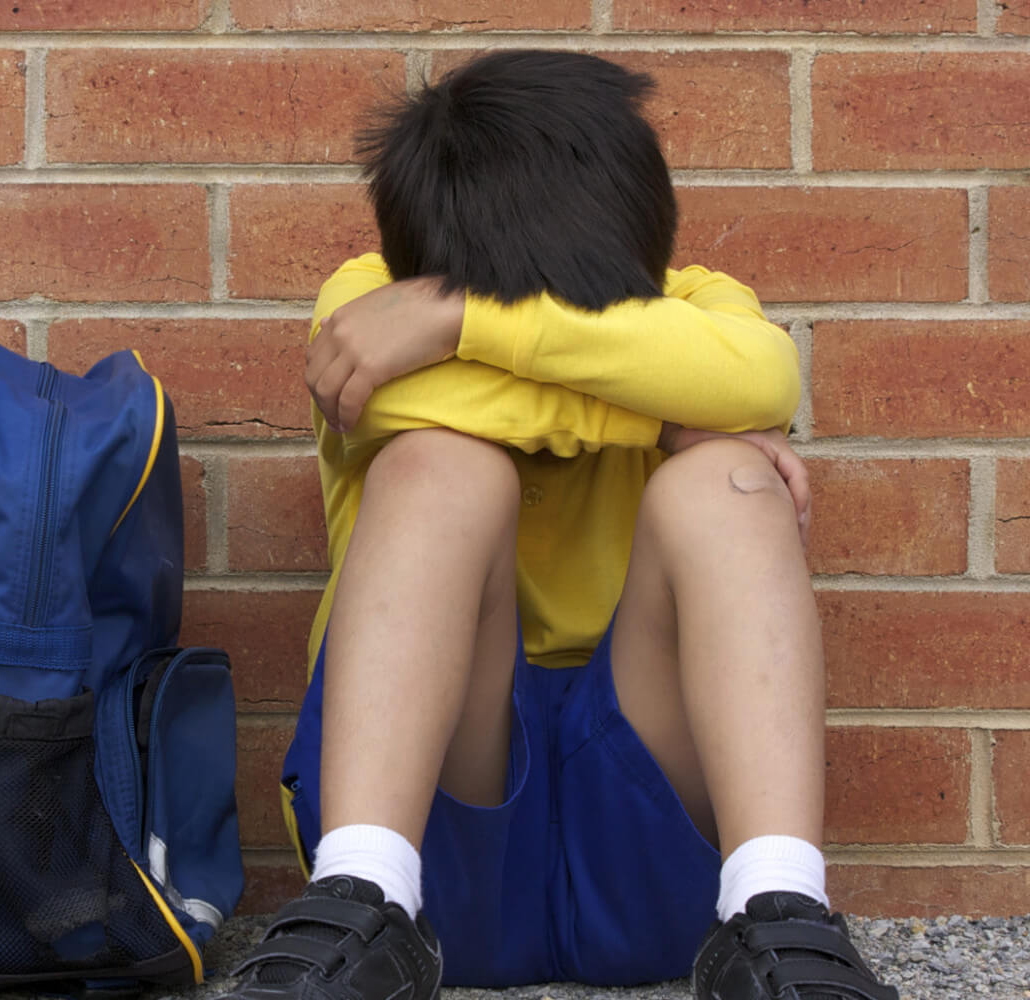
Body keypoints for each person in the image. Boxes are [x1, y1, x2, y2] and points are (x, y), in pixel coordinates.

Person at [221, 51, 900, 1000]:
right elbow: (375, 402)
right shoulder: (364, 304)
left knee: (730, 482)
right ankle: (359, 887)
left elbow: (761, 381)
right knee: (438, 462)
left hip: (664, 853)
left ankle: (777, 908)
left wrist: (467, 318)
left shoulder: (700, 303)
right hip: (432, 844)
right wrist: (659, 415)